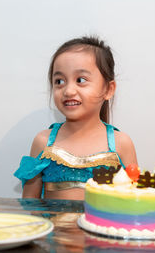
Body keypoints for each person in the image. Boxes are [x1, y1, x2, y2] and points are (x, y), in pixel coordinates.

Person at [14, 36, 138, 200]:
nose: (68, 90)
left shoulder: (121, 144)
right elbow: (30, 206)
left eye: (80, 80)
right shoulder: (43, 142)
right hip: (53, 226)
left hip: (104, 226)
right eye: (59, 81)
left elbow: (134, 201)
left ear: (108, 89)